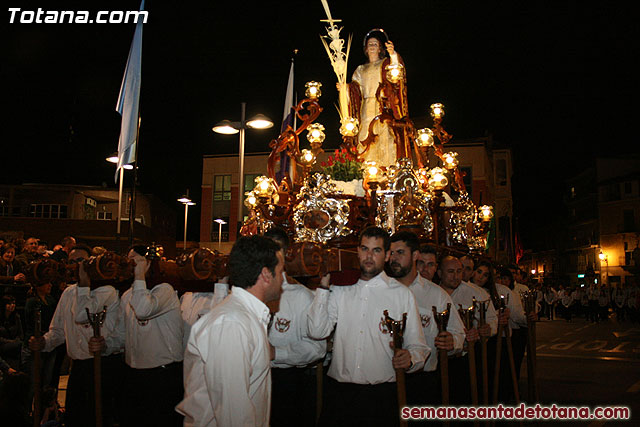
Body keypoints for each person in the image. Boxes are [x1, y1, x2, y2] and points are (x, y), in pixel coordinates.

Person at [308, 226, 429, 427]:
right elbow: (317, 331)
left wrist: (410, 358)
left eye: (376, 250)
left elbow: (419, 347)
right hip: (339, 394)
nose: (369, 256)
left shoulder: (401, 294)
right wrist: (323, 286)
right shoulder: (340, 290)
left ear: (388, 255)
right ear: (357, 251)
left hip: (380, 396)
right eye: (364, 249)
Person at [177, 236, 284, 426]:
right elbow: (234, 415)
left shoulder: (244, 316)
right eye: (280, 271)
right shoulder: (231, 323)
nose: (283, 279)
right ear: (266, 274)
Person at [28, 245, 122, 427]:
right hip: (78, 368)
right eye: (72, 262)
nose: (77, 267)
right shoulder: (69, 293)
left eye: (81, 261)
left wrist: (84, 286)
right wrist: (44, 342)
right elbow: (58, 331)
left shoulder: (108, 292)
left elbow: (84, 315)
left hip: (102, 365)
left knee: (100, 417)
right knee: (75, 417)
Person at [388, 231, 464, 405]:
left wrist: (453, 341)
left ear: (415, 255)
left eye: (399, 252)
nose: (393, 258)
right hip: (387, 379)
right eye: (390, 253)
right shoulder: (381, 291)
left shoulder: (436, 295)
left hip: (423, 381)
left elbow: (459, 333)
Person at [263, 227, 326, 427]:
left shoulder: (302, 296)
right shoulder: (250, 292)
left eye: (277, 251)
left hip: (286, 382)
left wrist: (276, 353)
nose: (271, 257)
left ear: (287, 255)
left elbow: (317, 347)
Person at [117, 245, 184, 427]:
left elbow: (143, 310)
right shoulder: (128, 295)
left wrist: (140, 276)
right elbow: (123, 334)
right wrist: (105, 344)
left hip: (162, 376)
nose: (132, 265)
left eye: (137, 261)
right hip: (135, 374)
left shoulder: (165, 291)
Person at [438, 256, 498, 403]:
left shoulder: (477, 293)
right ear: (439, 273)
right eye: (451, 271)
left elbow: (492, 319)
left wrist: (487, 329)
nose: (456, 276)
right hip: (436, 360)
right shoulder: (433, 293)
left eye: (459, 271)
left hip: (466, 357)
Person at [347, 29, 404, 167]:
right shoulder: (361, 69)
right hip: (366, 107)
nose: (372, 46)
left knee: (384, 135)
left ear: (380, 48)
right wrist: (345, 88)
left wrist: (393, 55)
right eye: (370, 44)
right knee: (365, 134)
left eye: (375, 44)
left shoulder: (385, 64)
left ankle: (387, 168)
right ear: (366, 49)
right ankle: (366, 169)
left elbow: (396, 74)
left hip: (382, 106)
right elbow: (355, 88)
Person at [0, 295, 23, 369]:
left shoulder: (16, 317)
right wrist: (11, 342)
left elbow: (20, 333)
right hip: (3, 344)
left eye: (13, 303)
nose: (12, 305)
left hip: (15, 343)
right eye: (9, 304)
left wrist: (16, 340)